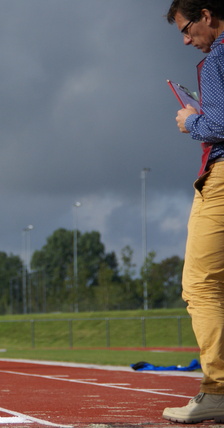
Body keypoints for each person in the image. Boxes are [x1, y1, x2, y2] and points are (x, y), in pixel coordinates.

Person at [163, 1, 224, 424]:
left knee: (200, 287)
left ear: (206, 14)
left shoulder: (217, 58)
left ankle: (218, 389)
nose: (187, 40)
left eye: (187, 29)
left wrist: (191, 120)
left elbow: (219, 125)